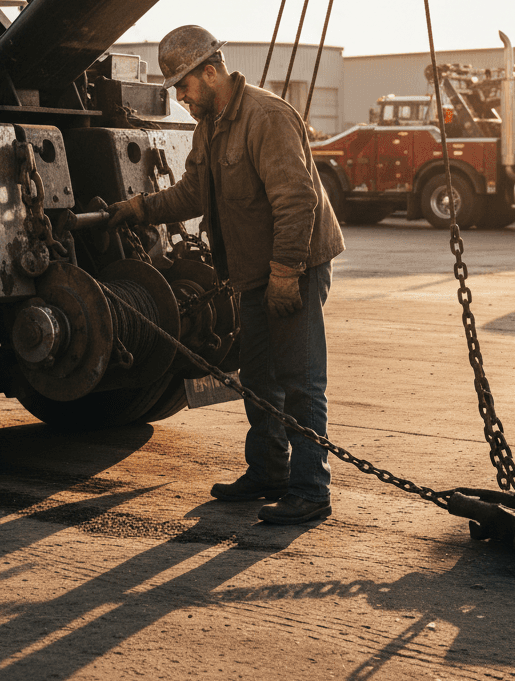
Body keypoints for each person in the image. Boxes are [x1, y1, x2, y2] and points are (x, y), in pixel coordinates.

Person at [107, 25, 345, 524]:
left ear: (210, 72)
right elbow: (194, 194)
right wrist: (140, 208)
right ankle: (269, 472)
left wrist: (285, 274)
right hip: (255, 273)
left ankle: (310, 489)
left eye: (183, 86)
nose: (180, 97)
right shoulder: (210, 127)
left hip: (294, 266)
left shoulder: (267, 118)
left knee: (300, 382)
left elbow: (296, 200)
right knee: (259, 376)